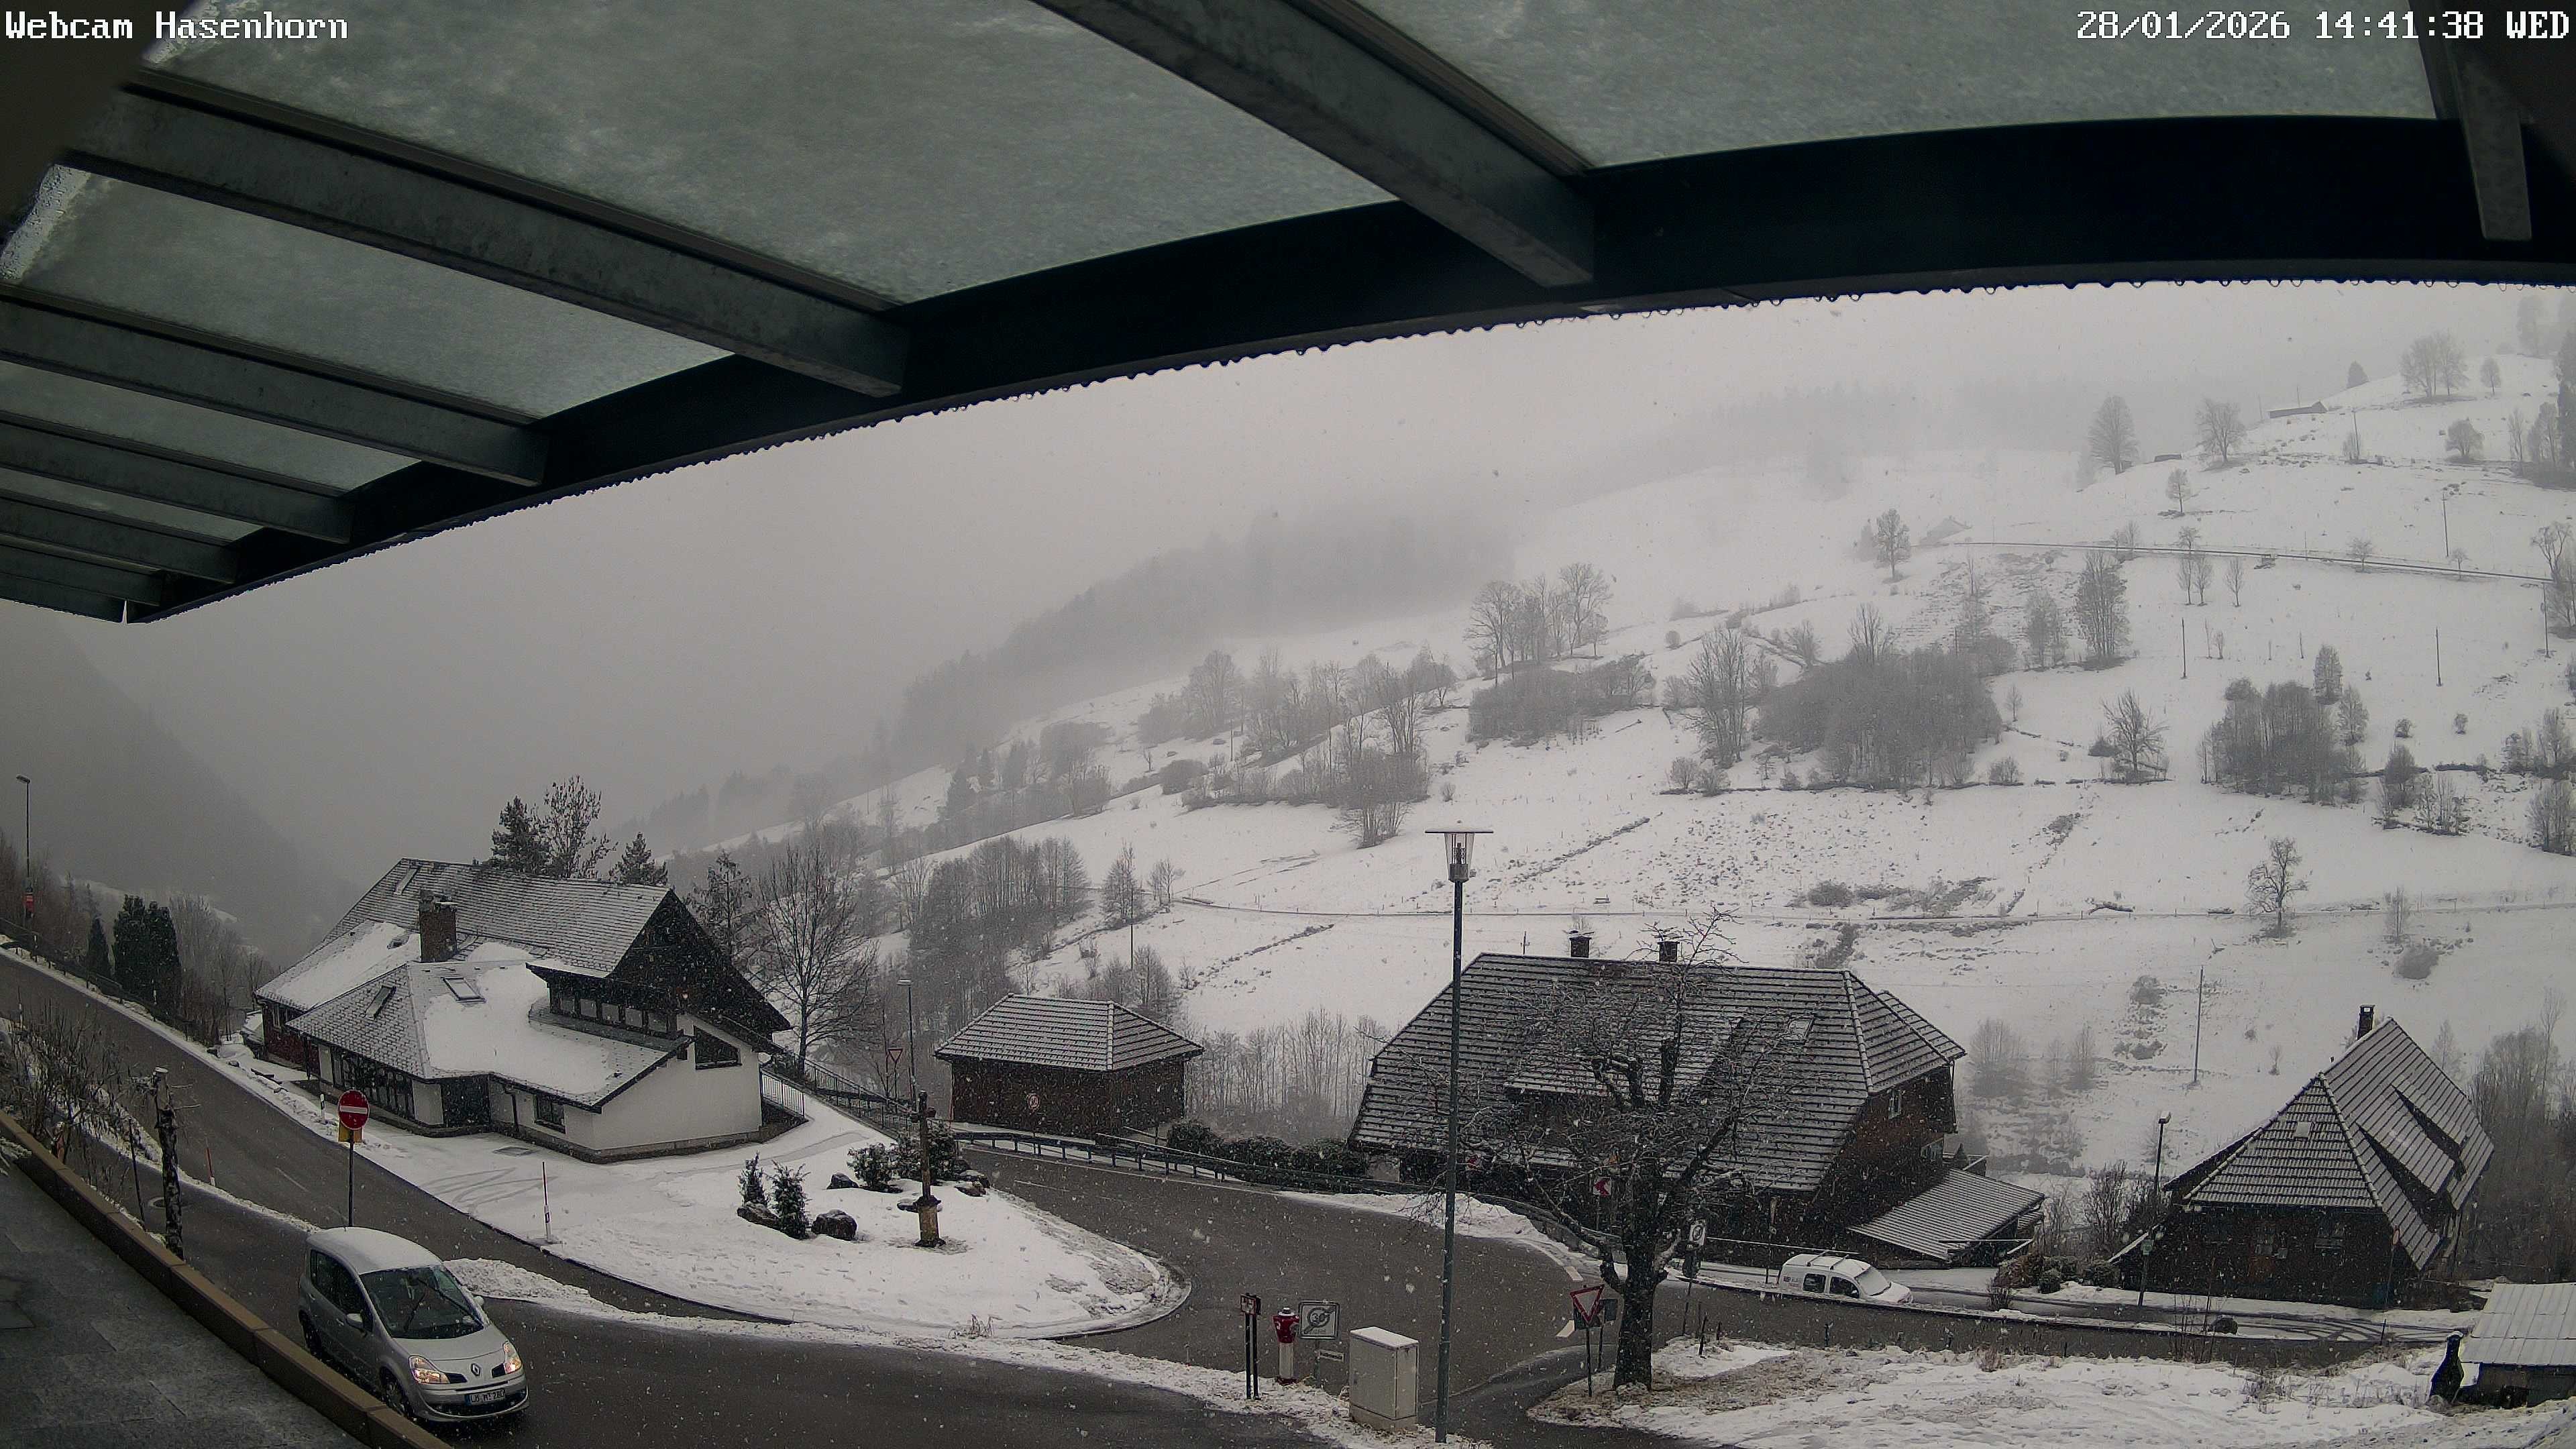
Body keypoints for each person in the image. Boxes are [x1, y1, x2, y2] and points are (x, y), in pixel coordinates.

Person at [2430, 1332, 2465, 1404]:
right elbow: (2458, 1377)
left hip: (2441, 1384)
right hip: (2442, 1388)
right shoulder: (2452, 1362)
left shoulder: (2451, 1362)